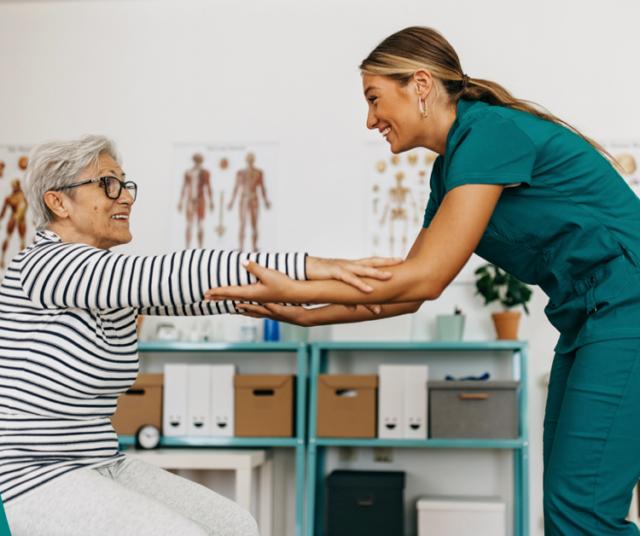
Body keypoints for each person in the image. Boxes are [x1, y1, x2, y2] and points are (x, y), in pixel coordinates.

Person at [206, 27, 640, 536]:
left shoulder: (490, 133)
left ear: (419, 83)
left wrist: (297, 287)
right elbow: (406, 290)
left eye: (374, 99)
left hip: (626, 307)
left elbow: (428, 279)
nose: (369, 120)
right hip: (588, 321)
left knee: (581, 511)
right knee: (568, 509)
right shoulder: (449, 171)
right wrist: (305, 314)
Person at [0, 135, 400, 536]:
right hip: (21, 476)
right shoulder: (45, 265)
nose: (125, 197)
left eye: (125, 186)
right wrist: (319, 264)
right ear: (58, 202)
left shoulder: (108, 284)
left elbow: (221, 293)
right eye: (108, 184)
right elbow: (182, 272)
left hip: (97, 461)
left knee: (235, 526)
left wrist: (366, 292)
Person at [178, 153, 214, 248]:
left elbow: (208, 187)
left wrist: (211, 201)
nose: (197, 161)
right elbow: (184, 187)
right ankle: (187, 247)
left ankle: (200, 247)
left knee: (200, 225)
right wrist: (180, 201)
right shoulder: (188, 173)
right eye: (196, 159)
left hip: (200, 200)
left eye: (199, 159)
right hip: (190, 200)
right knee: (189, 224)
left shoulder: (205, 173)